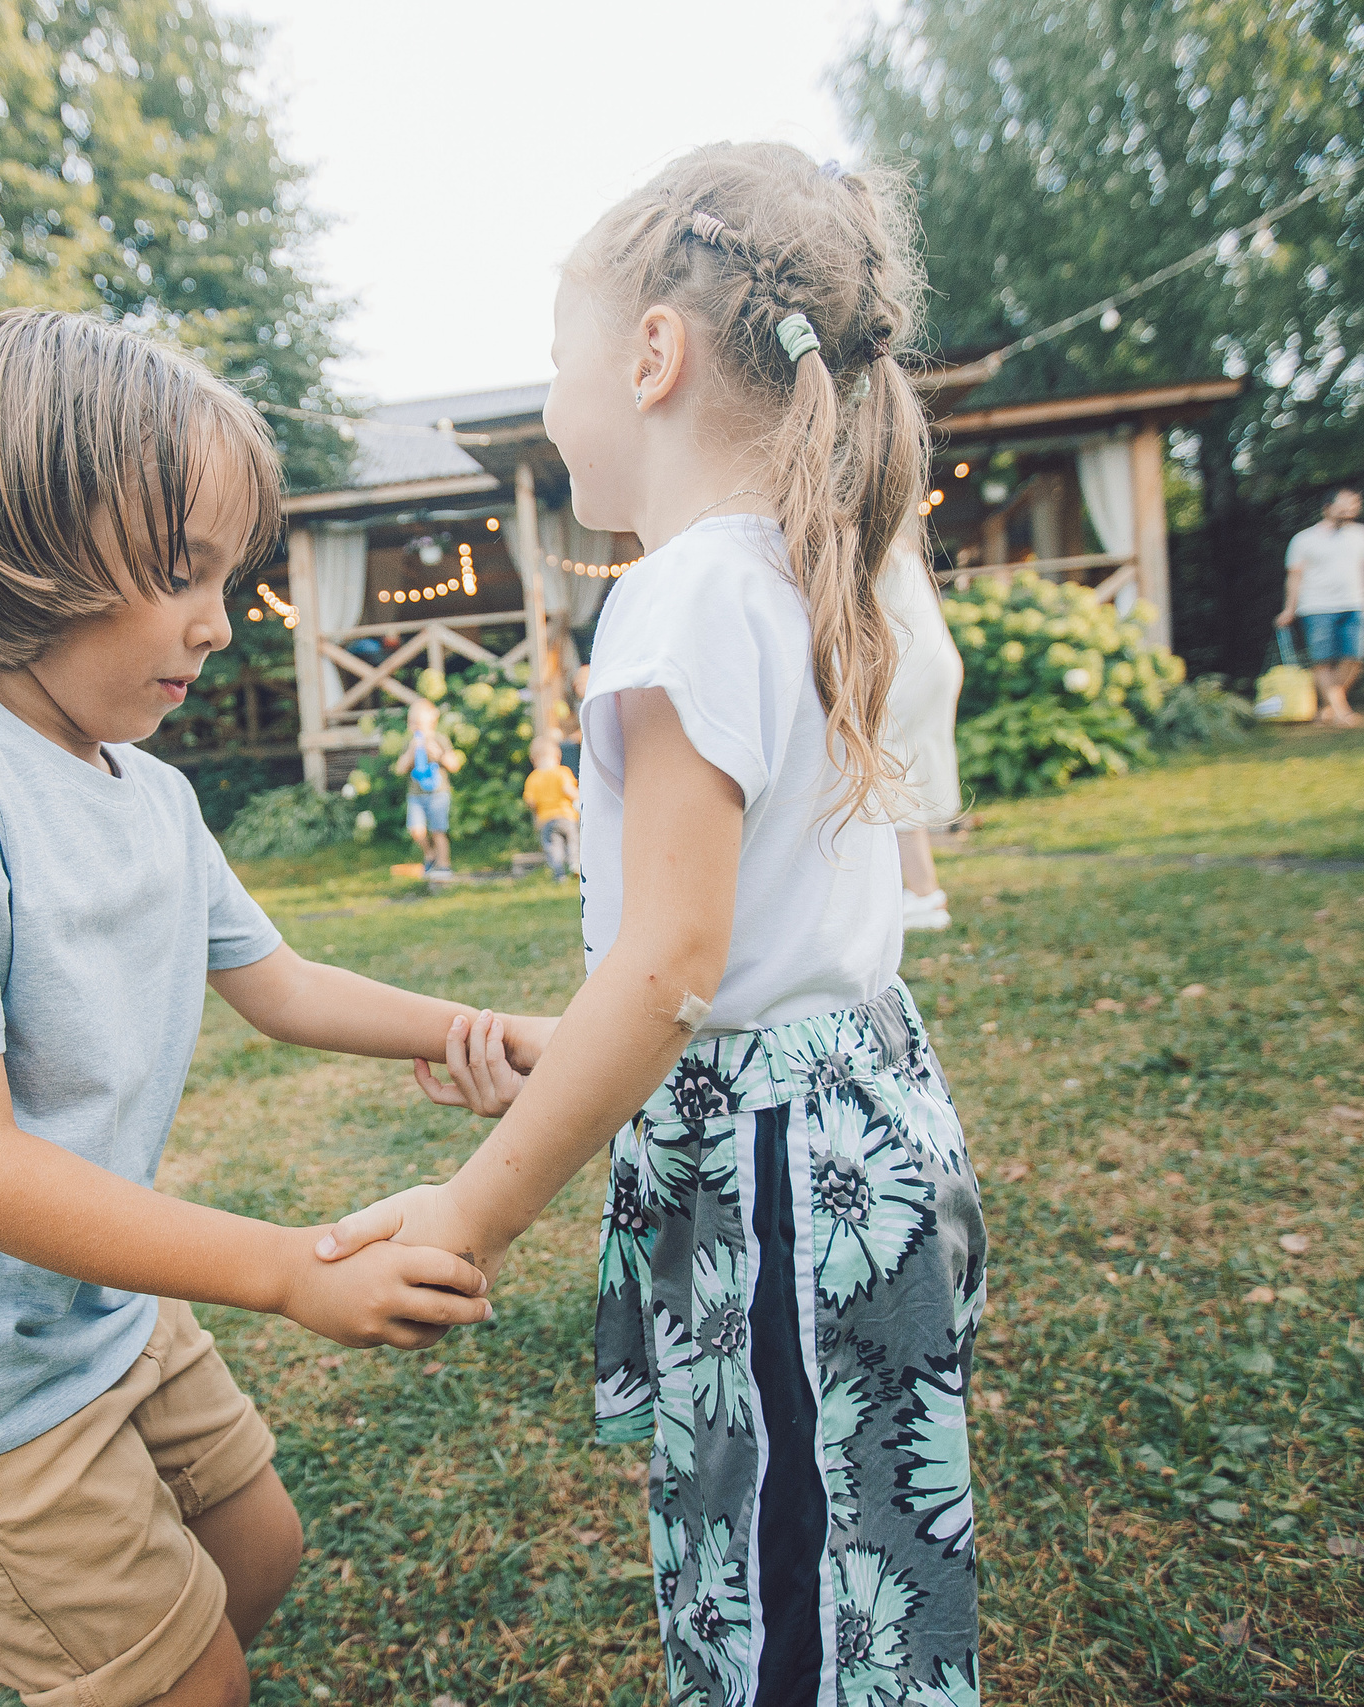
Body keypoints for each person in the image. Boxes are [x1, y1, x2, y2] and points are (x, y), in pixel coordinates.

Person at [0, 307, 542, 1707]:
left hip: (97, 1306)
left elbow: (284, 986)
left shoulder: (157, 791)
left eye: (228, 575)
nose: (216, 617)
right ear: (28, 541)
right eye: (179, 569)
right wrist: (290, 1267)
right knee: (196, 1680)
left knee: (256, 1551)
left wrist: (482, 1030)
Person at [317, 146, 984, 1707]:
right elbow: (764, 955)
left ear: (652, 357)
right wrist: (582, 1056)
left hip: (780, 1183)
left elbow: (676, 964)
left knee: (784, 1584)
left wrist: (473, 1210)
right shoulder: (799, 575)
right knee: (857, 1553)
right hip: (854, 1120)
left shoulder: (679, 596)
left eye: (559, 363)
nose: (551, 406)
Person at [882, 534, 962, 930]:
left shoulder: (872, 541)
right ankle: (922, 891)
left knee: (890, 772)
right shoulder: (901, 544)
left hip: (912, 666)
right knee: (904, 771)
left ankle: (923, 894)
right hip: (932, 662)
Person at [1274, 487, 1364, 726]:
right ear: (1326, 508)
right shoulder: (1303, 539)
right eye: (1343, 504)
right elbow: (1294, 577)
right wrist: (1289, 609)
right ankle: (1341, 711)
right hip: (1315, 607)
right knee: (1322, 661)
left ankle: (1329, 707)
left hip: (1356, 604)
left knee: (1356, 658)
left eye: (1353, 504)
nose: (1349, 509)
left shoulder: (1363, 535)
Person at [400, 700, 458, 876]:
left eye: (419, 723)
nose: (416, 727)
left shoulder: (439, 739)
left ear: (431, 722)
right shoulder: (410, 743)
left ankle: (444, 865)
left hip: (438, 794)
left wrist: (439, 755)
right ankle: (430, 854)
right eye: (412, 723)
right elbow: (400, 769)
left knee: (438, 831)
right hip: (416, 796)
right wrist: (411, 752)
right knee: (416, 831)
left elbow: (454, 765)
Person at [522, 734, 580, 878]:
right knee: (573, 841)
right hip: (567, 816)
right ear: (557, 756)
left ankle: (559, 873)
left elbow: (530, 802)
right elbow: (569, 791)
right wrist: (579, 798)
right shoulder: (562, 772)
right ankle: (575, 864)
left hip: (547, 819)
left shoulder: (533, 778)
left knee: (553, 847)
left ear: (533, 759)